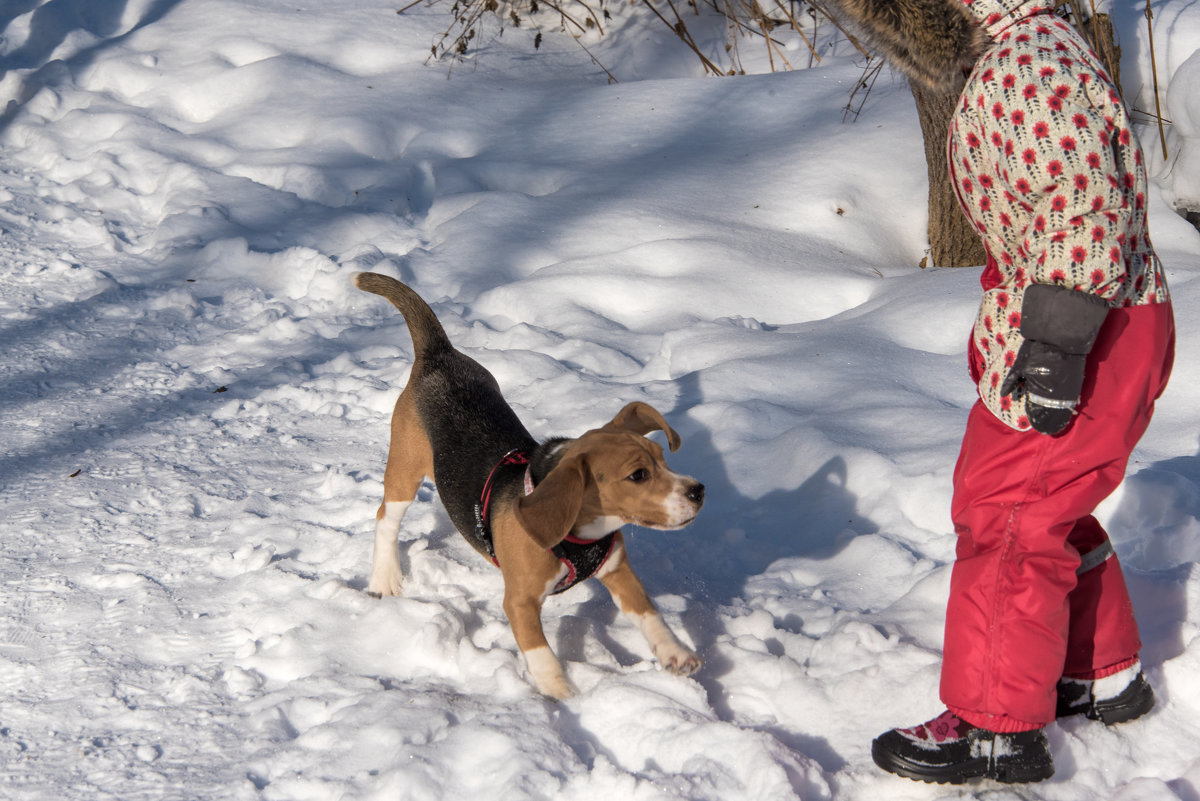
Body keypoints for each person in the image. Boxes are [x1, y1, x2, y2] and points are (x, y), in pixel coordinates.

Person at [822, 0, 1175, 784]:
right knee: (1046, 505)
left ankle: (993, 723)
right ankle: (1097, 669)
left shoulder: (1025, 64)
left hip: (1084, 324)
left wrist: (1053, 343)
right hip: (1104, 315)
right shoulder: (1035, 42)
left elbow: (1085, 200)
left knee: (1006, 518)